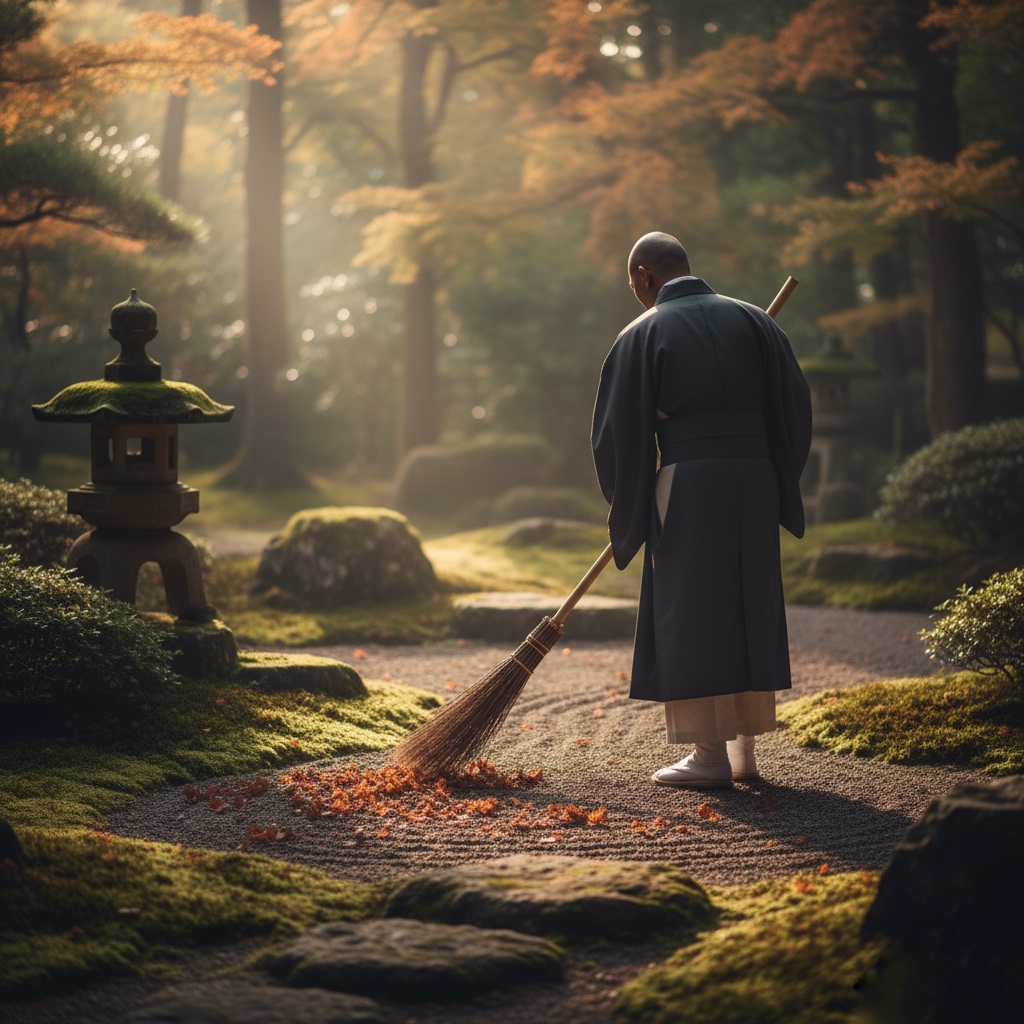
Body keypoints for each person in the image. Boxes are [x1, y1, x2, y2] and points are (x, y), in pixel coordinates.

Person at [591, 231, 812, 787]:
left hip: (688, 480)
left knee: (694, 609)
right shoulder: (756, 323)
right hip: (755, 478)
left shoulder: (643, 334)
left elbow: (616, 436)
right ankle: (744, 754)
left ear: (644, 276)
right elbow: (796, 411)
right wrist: (770, 470)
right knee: (745, 602)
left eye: (634, 286)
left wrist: (633, 496)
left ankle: (709, 756)